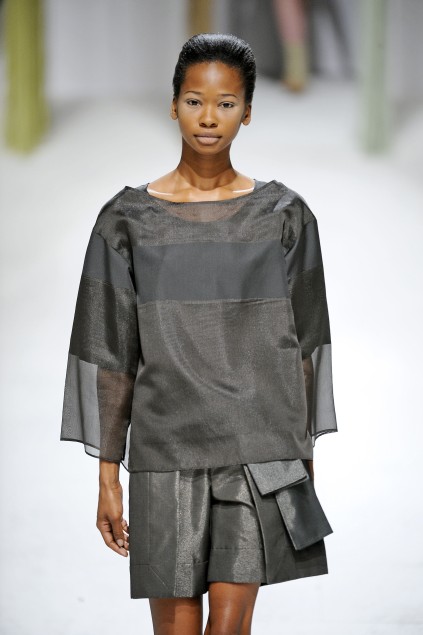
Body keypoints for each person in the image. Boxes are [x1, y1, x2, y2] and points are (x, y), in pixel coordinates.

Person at [60, 33, 337, 635]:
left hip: (261, 448)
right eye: (194, 101)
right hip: (166, 451)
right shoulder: (126, 221)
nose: (209, 117)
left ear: (247, 112)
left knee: (228, 628)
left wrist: (303, 461)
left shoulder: (284, 217)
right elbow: (108, 352)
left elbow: (308, 343)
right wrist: (107, 477)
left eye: (226, 103)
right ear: (173, 105)